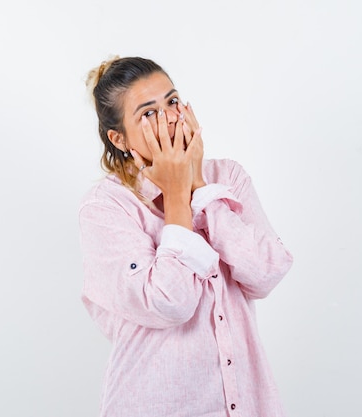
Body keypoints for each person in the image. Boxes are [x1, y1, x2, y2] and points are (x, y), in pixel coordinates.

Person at [78, 55, 294, 417]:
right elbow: (168, 302)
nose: (170, 118)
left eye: (173, 101)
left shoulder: (227, 176)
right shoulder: (106, 207)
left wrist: (199, 186)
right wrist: (178, 196)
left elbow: (266, 273)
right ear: (119, 138)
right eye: (148, 113)